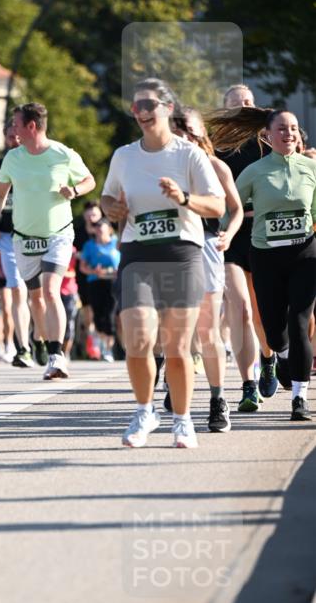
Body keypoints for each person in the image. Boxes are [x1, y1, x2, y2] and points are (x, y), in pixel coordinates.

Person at [101, 77, 225, 449]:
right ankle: (144, 411)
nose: (141, 112)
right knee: (137, 340)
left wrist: (184, 198)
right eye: (136, 106)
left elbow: (217, 205)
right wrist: (114, 209)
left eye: (149, 105)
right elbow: (107, 199)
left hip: (181, 253)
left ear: (168, 108)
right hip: (137, 252)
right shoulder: (124, 155)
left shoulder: (188, 154)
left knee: (175, 347)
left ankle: (182, 420)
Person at [208, 106, 316, 420]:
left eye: (293, 128)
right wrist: (223, 231)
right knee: (273, 330)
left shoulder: (310, 168)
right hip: (266, 256)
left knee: (298, 322)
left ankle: (300, 397)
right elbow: (231, 208)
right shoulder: (254, 172)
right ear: (267, 136)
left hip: (304, 256)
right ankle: (280, 356)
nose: (289, 134)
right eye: (281, 129)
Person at [0, 102, 96, 380]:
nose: (14, 130)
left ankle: (57, 356)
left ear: (31, 126)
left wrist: (74, 190)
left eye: (17, 124)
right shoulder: (13, 158)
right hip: (24, 238)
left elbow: (89, 181)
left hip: (58, 234)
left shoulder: (63, 154)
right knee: (36, 298)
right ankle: (43, 341)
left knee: (50, 291)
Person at [170, 107, 244, 432]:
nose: (182, 136)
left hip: (206, 246)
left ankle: (218, 399)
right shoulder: (164, 167)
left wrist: (230, 232)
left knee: (207, 329)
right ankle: (179, 389)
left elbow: (236, 209)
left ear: (200, 133)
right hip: (171, 248)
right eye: (176, 130)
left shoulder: (215, 166)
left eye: (187, 129)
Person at [216, 85, 273, 411]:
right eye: (237, 104)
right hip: (231, 234)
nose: (244, 107)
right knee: (240, 310)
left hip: (264, 232)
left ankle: (268, 359)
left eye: (249, 102)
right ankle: (248, 384)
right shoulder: (218, 147)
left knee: (263, 311)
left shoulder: (269, 142)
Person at [0, 120, 34, 367]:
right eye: (10, 136)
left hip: (36, 233)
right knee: (16, 290)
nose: (14, 140)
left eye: (18, 135)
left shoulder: (37, 161)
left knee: (39, 293)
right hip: (7, 235)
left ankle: (44, 339)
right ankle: (22, 346)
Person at [78, 216, 121, 363]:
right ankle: (103, 346)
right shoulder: (89, 245)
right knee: (97, 316)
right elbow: (82, 267)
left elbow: (125, 261)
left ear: (109, 230)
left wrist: (118, 271)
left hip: (112, 283)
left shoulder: (117, 243)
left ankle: (108, 349)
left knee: (110, 315)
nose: (99, 232)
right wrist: (93, 271)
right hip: (95, 283)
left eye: (102, 229)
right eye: (97, 230)